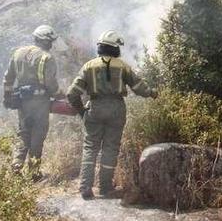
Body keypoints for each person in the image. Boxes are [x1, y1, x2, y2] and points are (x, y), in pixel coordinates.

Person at [67, 30, 158, 199]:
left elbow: (72, 94)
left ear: (100, 47)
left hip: (94, 107)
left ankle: (85, 187)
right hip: (116, 109)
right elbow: (139, 88)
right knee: (110, 148)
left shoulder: (88, 66)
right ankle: (105, 188)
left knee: (90, 148)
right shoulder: (123, 66)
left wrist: (82, 112)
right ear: (115, 48)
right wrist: (153, 93)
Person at [2, 24, 61, 180]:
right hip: (40, 101)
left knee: (23, 133)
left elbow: (8, 78)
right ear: (46, 41)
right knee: (38, 134)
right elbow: (50, 83)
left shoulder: (18, 53)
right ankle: (34, 172)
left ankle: (16, 166)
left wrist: (7, 97)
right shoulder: (47, 57)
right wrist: (60, 94)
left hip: (22, 101)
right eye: (50, 42)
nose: (51, 45)